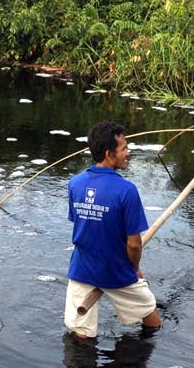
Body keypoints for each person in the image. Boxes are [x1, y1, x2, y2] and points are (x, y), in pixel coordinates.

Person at [64, 121, 161, 338]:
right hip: (117, 271)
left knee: (81, 332)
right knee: (151, 317)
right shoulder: (127, 190)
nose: (128, 153)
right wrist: (134, 269)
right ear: (109, 153)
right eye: (124, 148)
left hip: (82, 269)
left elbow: (83, 224)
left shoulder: (75, 183)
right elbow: (134, 243)